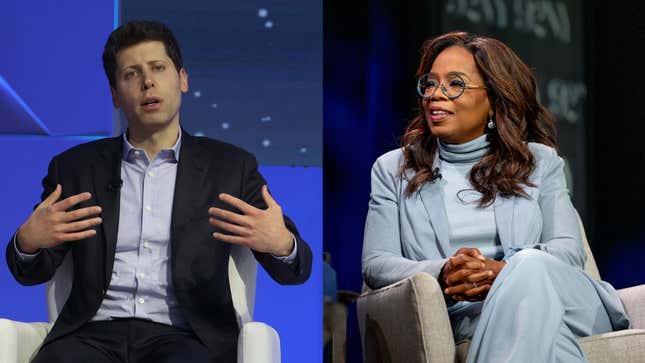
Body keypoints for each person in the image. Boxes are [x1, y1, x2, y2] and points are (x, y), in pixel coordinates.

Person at [6, 20, 312, 363]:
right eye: (131, 74)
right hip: (90, 337)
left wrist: (282, 245)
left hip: (187, 337)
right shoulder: (75, 169)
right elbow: (31, 272)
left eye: (158, 68)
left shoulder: (230, 168)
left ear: (182, 79)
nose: (147, 82)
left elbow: (295, 271)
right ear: (115, 95)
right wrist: (27, 244)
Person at [361, 31, 629, 362]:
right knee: (552, 343)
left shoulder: (539, 162)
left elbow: (567, 252)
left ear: (492, 100)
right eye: (429, 84)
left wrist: (499, 270)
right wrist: (444, 272)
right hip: (470, 316)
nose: (435, 95)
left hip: (569, 302)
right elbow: (376, 264)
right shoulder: (393, 170)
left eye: (454, 84)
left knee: (531, 266)